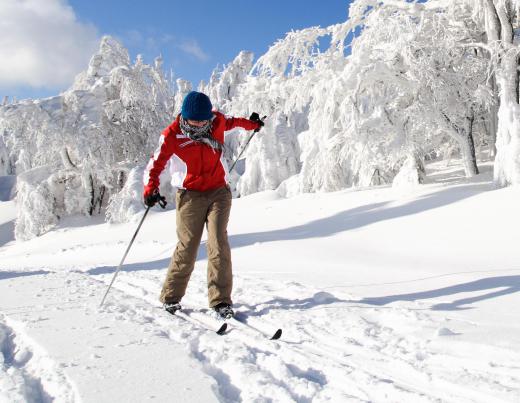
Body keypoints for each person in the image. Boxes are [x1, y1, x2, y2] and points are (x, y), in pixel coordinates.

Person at [143, 91, 264, 319]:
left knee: (219, 242)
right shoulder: (172, 135)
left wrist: (252, 124)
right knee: (188, 246)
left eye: (203, 120)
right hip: (190, 196)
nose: (199, 124)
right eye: (194, 120)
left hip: (219, 191)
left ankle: (221, 301)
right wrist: (150, 189)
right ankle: (171, 297)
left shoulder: (216, 121)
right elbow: (155, 164)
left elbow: (232, 123)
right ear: (185, 117)